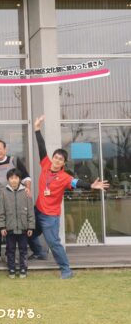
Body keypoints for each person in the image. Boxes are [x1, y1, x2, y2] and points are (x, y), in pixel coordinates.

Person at [33, 115, 109, 278]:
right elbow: (41, 146)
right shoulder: (46, 164)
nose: (57, 160)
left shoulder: (65, 177)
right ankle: (39, 253)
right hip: (37, 209)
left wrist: (91, 185)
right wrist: (37, 129)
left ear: (64, 163)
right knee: (29, 233)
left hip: (50, 216)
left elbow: (77, 182)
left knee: (53, 243)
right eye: (56, 157)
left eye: (60, 159)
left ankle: (66, 270)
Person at [0, 139, 32, 263]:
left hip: (15, 199)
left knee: (14, 227)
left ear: (5, 149)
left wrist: (28, 188)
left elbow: (26, 177)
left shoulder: (15, 160)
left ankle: (11, 255)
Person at [0, 169, 35, 279]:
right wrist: (2, 227)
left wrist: (30, 227)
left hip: (23, 227)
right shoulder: (3, 193)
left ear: (19, 179)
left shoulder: (26, 192)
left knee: (23, 250)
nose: (14, 180)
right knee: (10, 250)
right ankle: (12, 268)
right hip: (10, 228)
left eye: (16, 178)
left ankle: (23, 268)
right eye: (11, 178)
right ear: (8, 180)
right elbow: (1, 212)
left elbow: (30, 212)